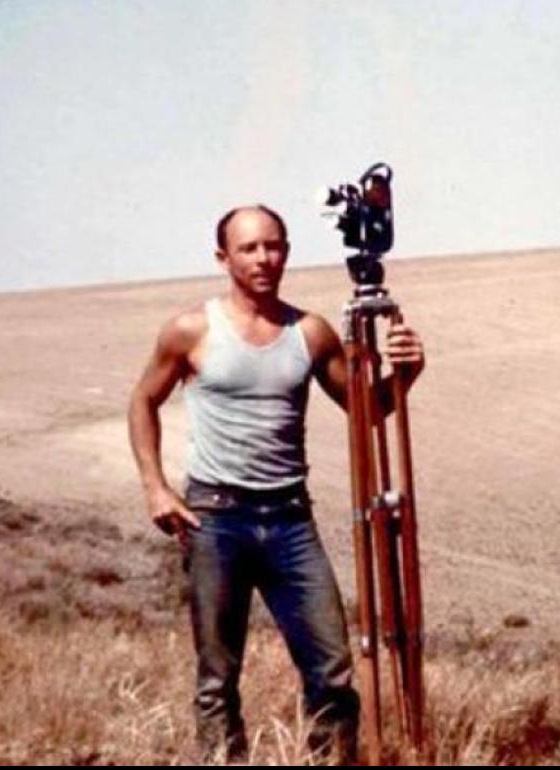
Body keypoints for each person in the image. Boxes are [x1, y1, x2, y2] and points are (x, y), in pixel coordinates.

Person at [126, 204, 425, 762]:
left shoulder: (309, 333)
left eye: (274, 246)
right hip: (215, 518)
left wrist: (405, 374)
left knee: (332, 671)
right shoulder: (191, 329)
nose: (264, 258)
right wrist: (155, 486)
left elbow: (367, 411)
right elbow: (142, 399)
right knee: (217, 677)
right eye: (249, 248)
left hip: (290, 519)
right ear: (224, 257)